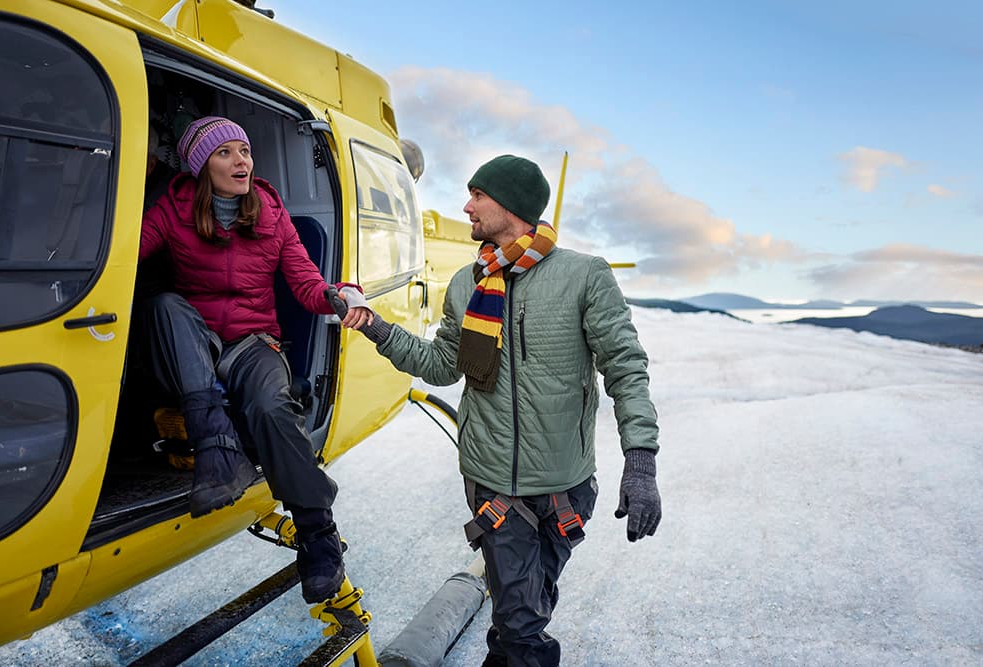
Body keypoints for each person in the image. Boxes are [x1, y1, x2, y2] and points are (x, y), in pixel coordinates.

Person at [353, 155, 662, 666]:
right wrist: (377, 328)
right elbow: (440, 365)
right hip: (493, 483)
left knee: (525, 608)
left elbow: (625, 367)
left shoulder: (584, 276)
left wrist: (642, 459)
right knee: (521, 623)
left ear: (511, 206)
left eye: (478, 195)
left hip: (565, 486)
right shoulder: (465, 284)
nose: (466, 205)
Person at [138, 116, 372, 604]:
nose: (241, 160)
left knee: (271, 407)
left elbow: (307, 283)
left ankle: (318, 535)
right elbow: (126, 252)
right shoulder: (173, 209)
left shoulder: (270, 213)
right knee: (164, 305)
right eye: (225, 153)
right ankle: (218, 454)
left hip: (253, 342)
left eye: (244, 150)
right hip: (192, 344)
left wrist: (339, 296)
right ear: (202, 166)